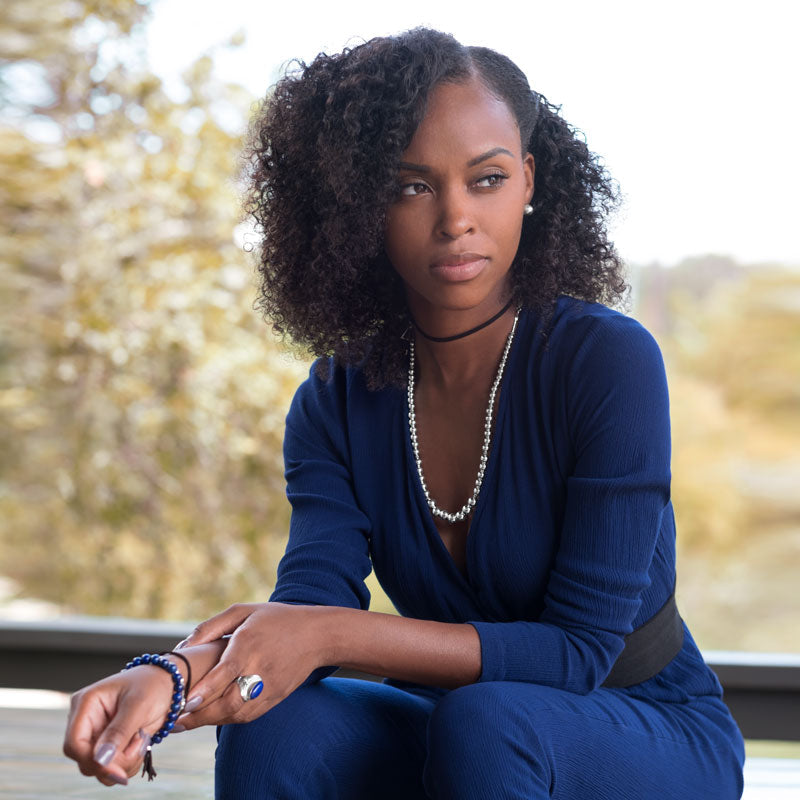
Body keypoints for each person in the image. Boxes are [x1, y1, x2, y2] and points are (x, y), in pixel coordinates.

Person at [63, 27, 746, 799]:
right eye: (411, 187)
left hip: (643, 729)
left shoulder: (605, 360)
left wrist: (325, 634)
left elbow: (579, 652)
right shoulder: (336, 398)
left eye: (487, 179)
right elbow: (309, 606)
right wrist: (170, 674)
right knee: (276, 724)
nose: (455, 218)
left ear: (528, 180)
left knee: (490, 724)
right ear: (359, 207)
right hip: (457, 727)